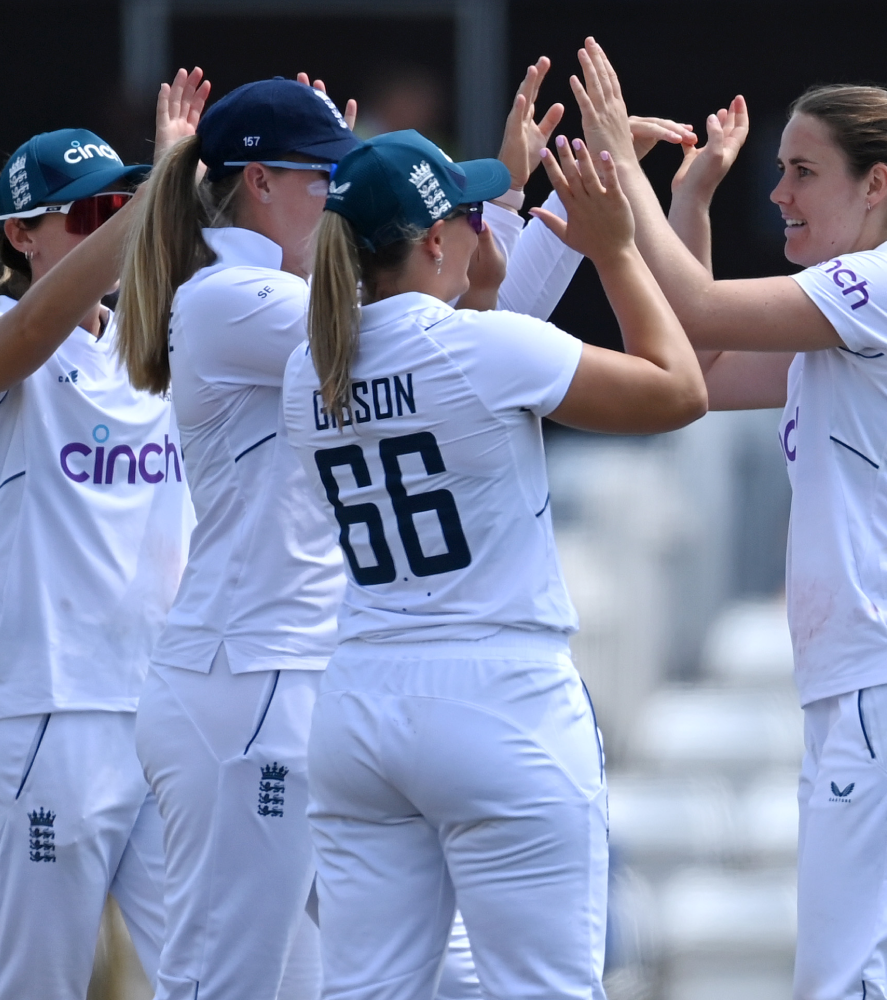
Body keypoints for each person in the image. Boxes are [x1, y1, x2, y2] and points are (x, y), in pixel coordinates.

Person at [115, 59, 655, 999]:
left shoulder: (285, 301)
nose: (337, 204)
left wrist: (526, 202)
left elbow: (457, 339)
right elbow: (457, 337)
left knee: (424, 980)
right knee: (224, 982)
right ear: (261, 182)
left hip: (307, 677)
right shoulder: (231, 300)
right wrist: (545, 216)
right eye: (327, 174)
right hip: (249, 676)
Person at [562, 39, 887, 1000]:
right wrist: (685, 204)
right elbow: (685, 364)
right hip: (886, 679)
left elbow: (689, 306)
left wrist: (623, 182)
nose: (778, 193)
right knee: (856, 979)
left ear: (875, 189)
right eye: (781, 170)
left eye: (802, 172)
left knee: (852, 983)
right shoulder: (857, 318)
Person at [284, 126, 704, 998]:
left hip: (360, 697)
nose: (486, 228)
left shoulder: (308, 366)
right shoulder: (480, 351)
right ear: (435, 240)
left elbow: (445, 355)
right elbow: (679, 389)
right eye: (472, 216)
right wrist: (615, 249)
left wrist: (521, 225)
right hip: (497, 697)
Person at [0, 70, 207, 1000]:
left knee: (221, 974)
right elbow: (46, 317)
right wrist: (162, 189)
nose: (115, 226)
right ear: (22, 235)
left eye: (121, 206)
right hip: (44, 721)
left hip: (166, 716)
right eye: (89, 213)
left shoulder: (166, 344)